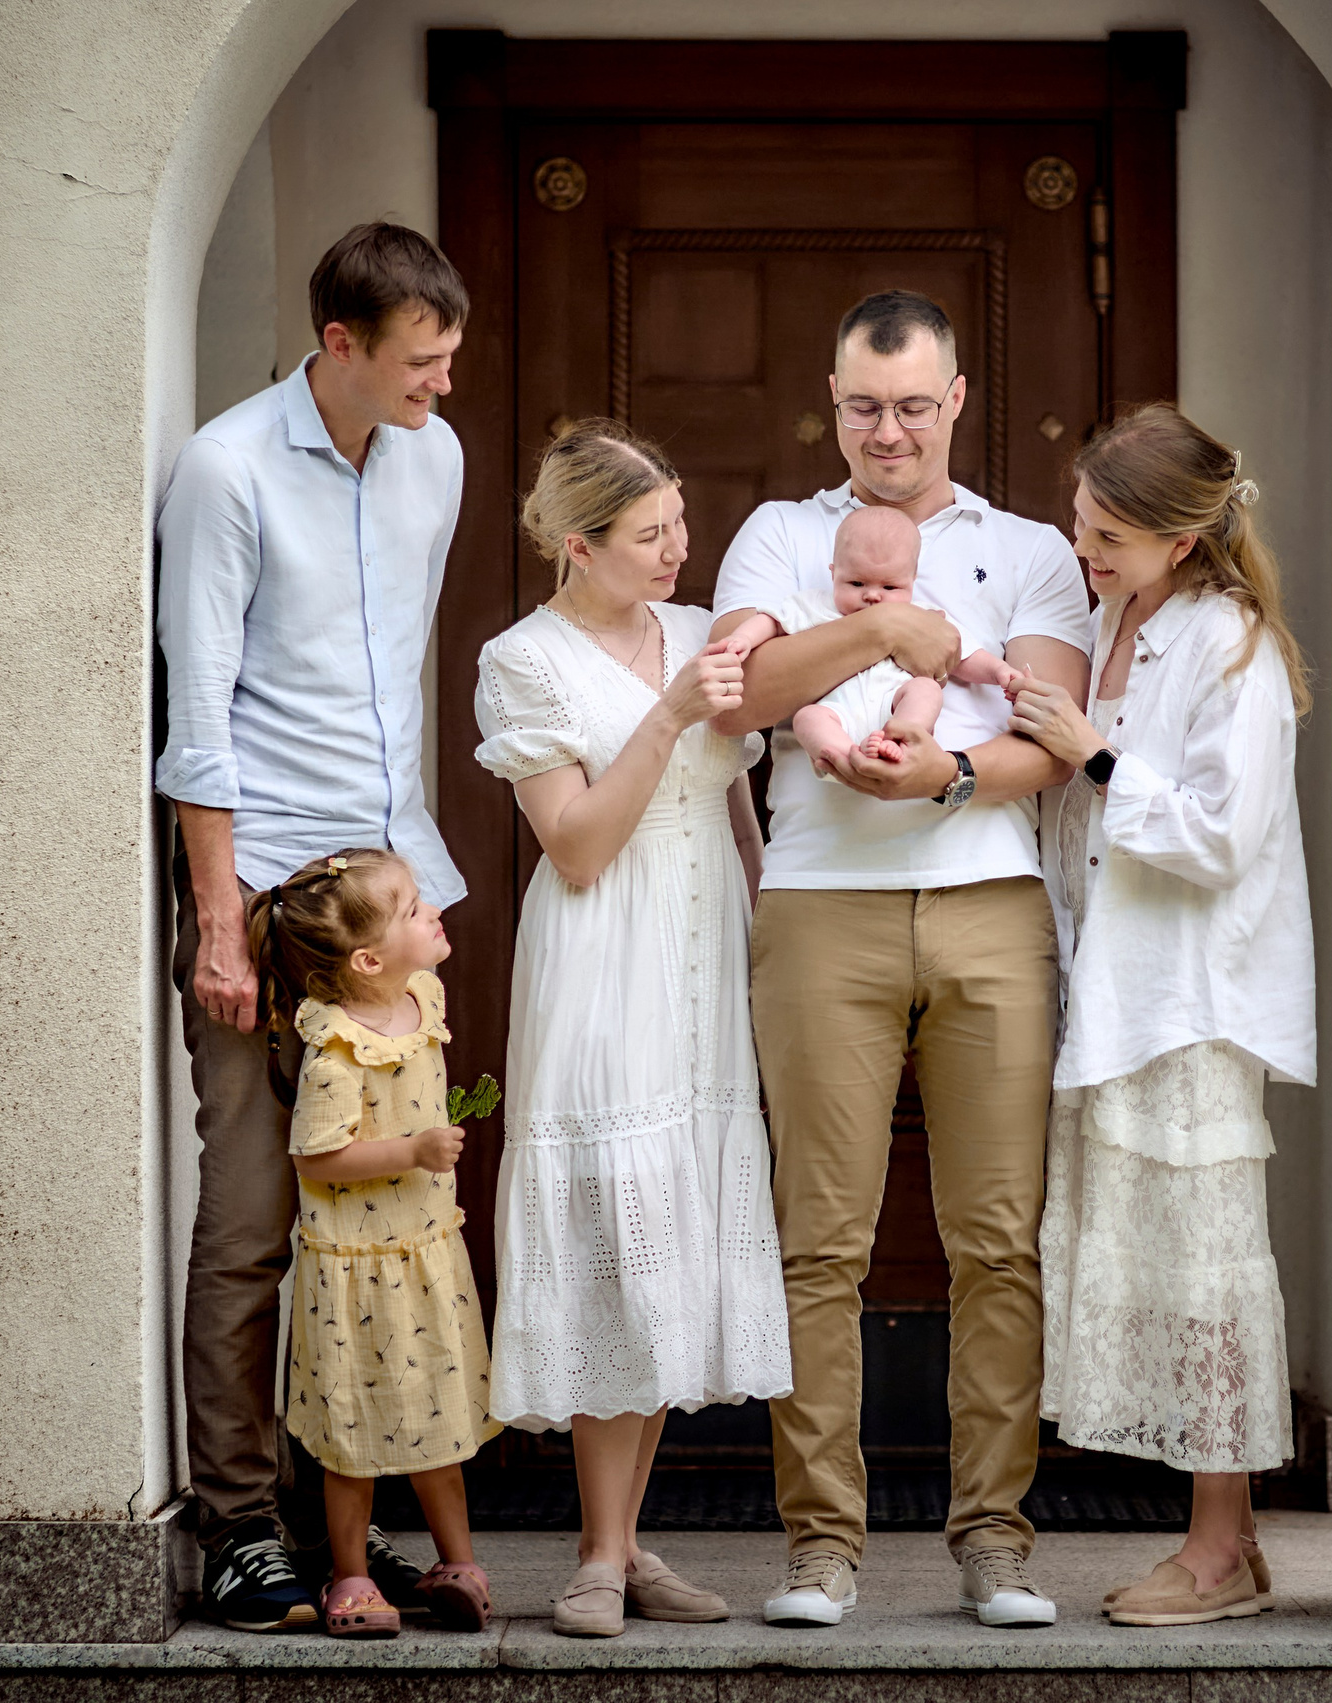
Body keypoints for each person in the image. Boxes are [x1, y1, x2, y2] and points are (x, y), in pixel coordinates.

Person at [705, 290, 1093, 1630]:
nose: (889, 430)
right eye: (866, 406)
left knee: (997, 1239)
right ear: (832, 398)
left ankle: (996, 1538)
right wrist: (881, 629)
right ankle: (821, 1547)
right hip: (820, 906)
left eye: (914, 405)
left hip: (989, 897)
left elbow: (1052, 731)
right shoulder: (781, 533)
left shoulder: (1034, 546)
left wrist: (945, 775)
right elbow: (743, 694)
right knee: (821, 1241)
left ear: (958, 399)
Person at [156, 220, 468, 1630]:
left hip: (391, 904)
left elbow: (397, 682)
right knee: (254, 1225)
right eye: (421, 359)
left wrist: (419, 897)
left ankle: (347, 1531)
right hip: (271, 900)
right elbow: (198, 709)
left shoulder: (436, 463)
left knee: (393, 1228)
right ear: (339, 343)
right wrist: (219, 923)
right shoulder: (226, 470)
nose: (441, 387)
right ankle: (239, 1526)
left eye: (451, 358)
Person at [474, 419, 793, 1639]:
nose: (677, 548)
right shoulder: (525, 661)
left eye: (679, 525)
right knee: (618, 1215)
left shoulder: (707, 624)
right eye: (651, 533)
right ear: (578, 545)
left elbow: (735, 797)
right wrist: (665, 710)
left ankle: (621, 1541)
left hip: (703, 941)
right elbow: (577, 844)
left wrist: (765, 928)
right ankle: (598, 1557)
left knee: (678, 1227)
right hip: (603, 947)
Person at [1005, 404, 1314, 1627]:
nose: (1086, 551)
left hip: (1190, 1002)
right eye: (1082, 527)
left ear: (1182, 540)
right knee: (1152, 1266)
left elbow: (1220, 835)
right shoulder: (1110, 618)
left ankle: (1221, 1546)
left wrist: (1091, 755)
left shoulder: (1229, 642)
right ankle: (1211, 1537)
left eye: (1110, 537)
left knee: (1206, 1274)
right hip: (1112, 993)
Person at [247, 848, 500, 1639]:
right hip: (354, 1272)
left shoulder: (423, 997)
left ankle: (455, 1561)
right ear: (367, 959)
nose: (433, 914)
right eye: (414, 909)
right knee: (352, 1431)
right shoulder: (335, 1051)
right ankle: (351, 1572)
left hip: (424, 1253)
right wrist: (412, 1151)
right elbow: (318, 1158)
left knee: (437, 1415)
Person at [720, 505, 1022, 778]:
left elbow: (964, 654)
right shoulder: (814, 606)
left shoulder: (923, 617)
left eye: (890, 586)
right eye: (857, 583)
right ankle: (843, 757)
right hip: (837, 709)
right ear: (834, 573)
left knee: (925, 690)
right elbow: (772, 619)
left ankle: (904, 737)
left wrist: (998, 672)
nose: (873, 595)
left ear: (913, 580)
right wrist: (743, 637)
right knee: (808, 719)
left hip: (894, 702)